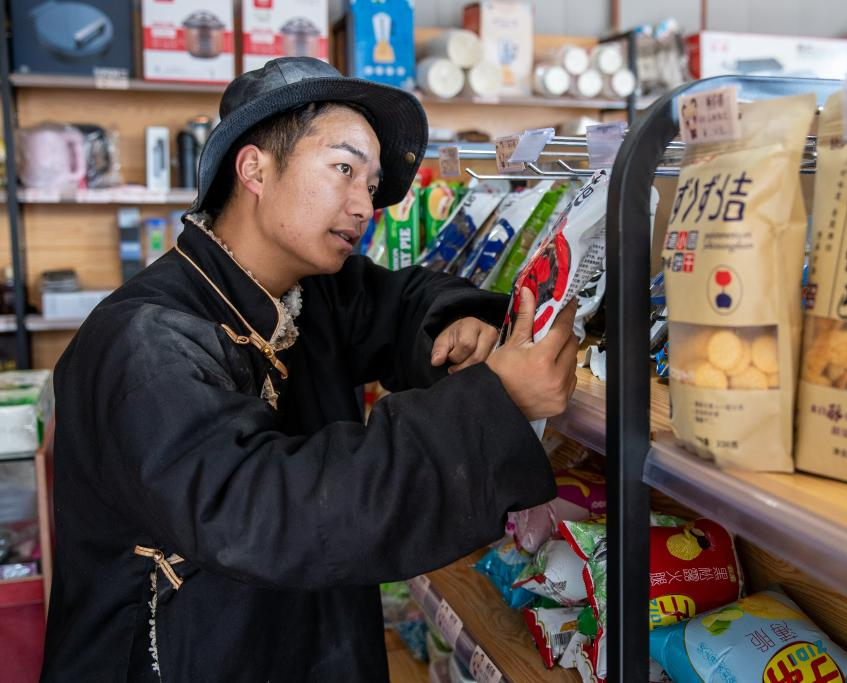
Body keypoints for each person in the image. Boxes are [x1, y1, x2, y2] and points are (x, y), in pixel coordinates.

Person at [42, 57, 580, 681]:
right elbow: (269, 512)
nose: (363, 205)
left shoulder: (308, 292)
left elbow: (404, 301)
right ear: (255, 169)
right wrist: (495, 405)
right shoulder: (145, 342)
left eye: (371, 185)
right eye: (344, 169)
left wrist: (457, 326)